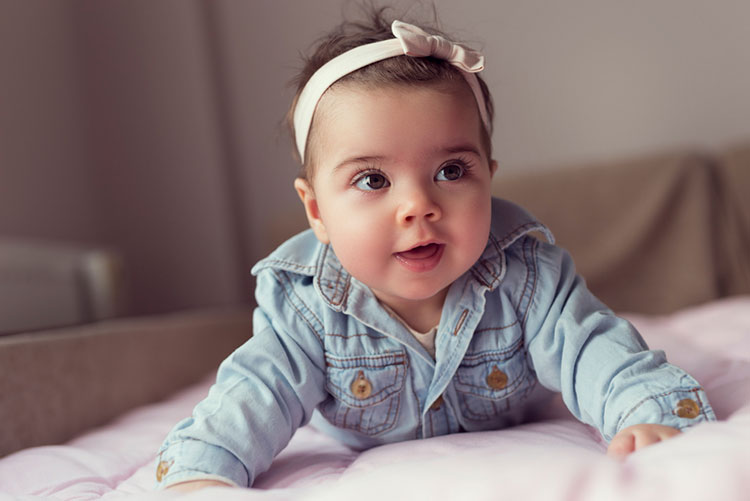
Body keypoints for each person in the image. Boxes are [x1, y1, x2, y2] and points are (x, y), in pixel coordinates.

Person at [156, 8, 715, 491]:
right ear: (317, 212)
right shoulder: (304, 307)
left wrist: (648, 417)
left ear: (488, 181)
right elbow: (254, 395)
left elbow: (597, 352)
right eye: (373, 180)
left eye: (450, 171)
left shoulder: (526, 276)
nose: (417, 206)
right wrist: (201, 472)